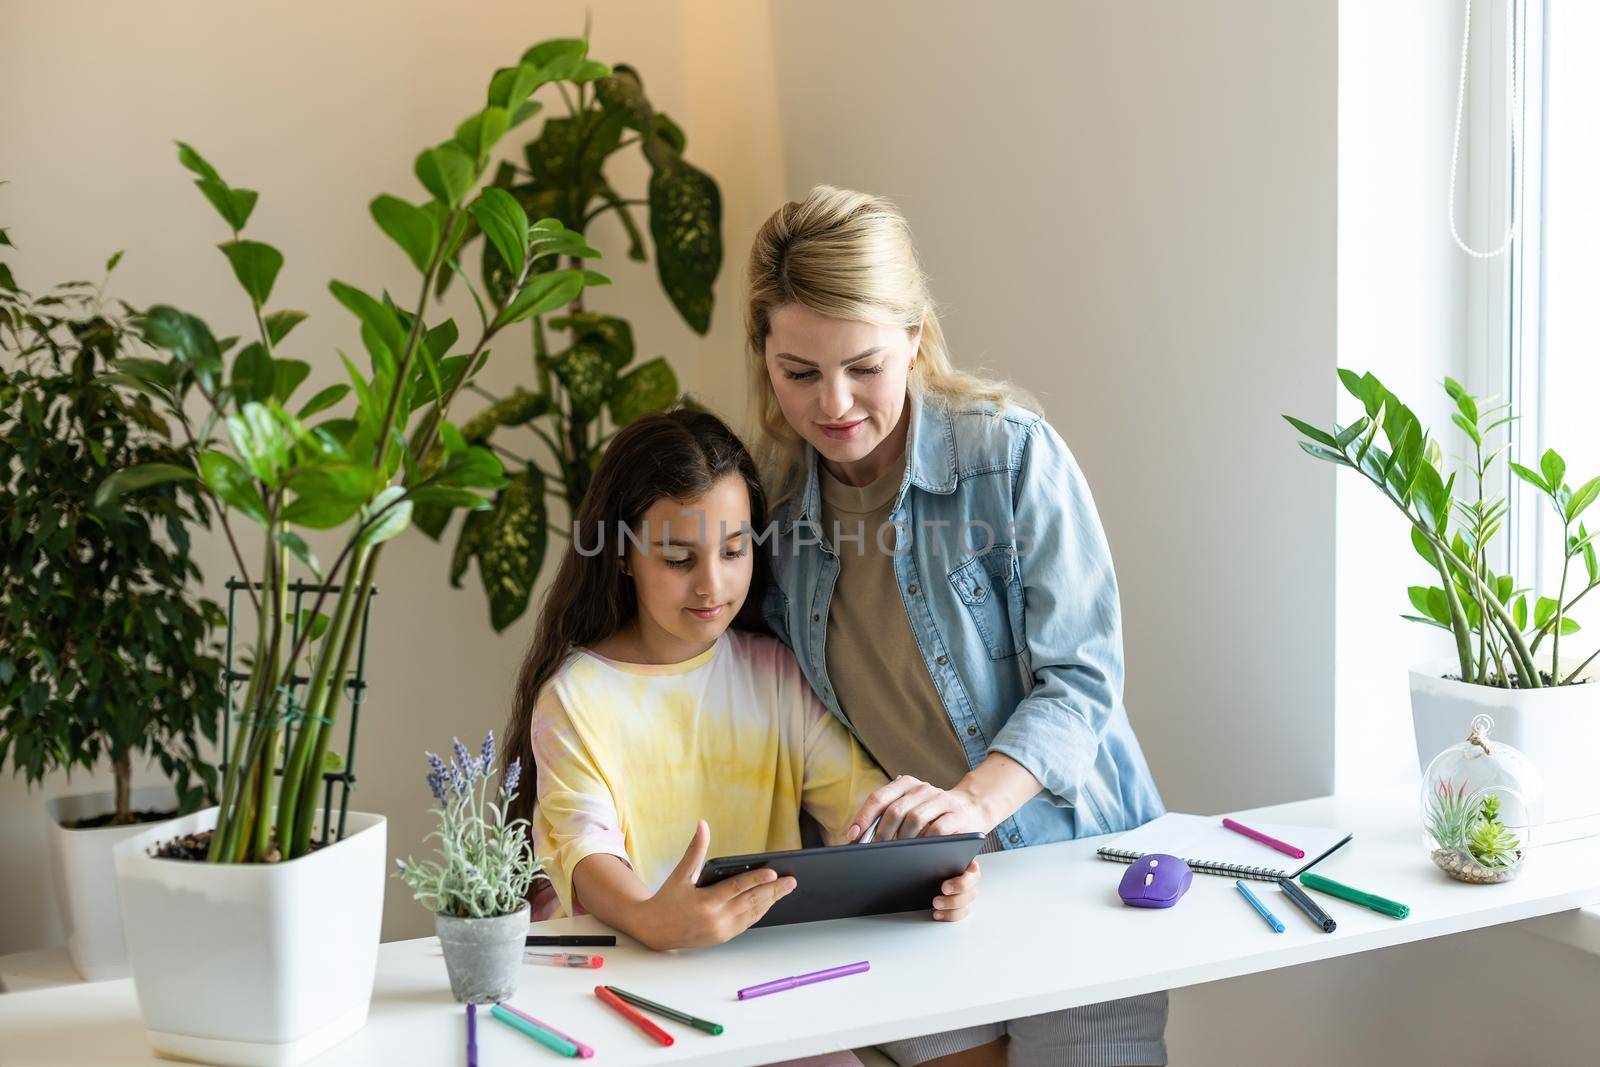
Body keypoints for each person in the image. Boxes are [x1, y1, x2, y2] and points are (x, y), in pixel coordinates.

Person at [747, 186, 1168, 1067]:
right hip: (917, 901)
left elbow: (1083, 678)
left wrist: (969, 805)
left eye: (864, 365)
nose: (834, 404)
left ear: (913, 334)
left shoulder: (1010, 455)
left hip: (1072, 870)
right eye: (800, 372)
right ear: (764, 357)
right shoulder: (776, 511)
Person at [501, 408, 981, 952]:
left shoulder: (774, 672)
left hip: (758, 971)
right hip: (619, 971)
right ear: (622, 557)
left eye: (733, 551)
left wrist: (929, 861)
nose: (712, 585)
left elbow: (860, 809)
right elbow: (583, 849)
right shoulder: (576, 694)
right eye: (679, 559)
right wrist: (650, 918)